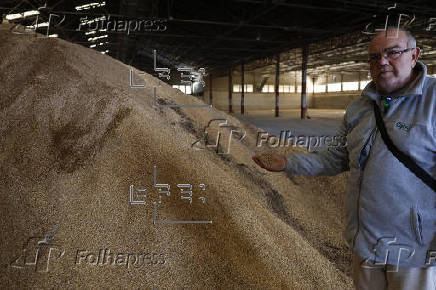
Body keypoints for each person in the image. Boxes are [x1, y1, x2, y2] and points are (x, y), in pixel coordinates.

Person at [252, 27, 436, 289]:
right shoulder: (360, 107)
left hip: (414, 252)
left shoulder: (432, 101)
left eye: (392, 53)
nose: (382, 61)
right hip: (365, 245)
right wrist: (289, 162)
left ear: (415, 55)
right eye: (374, 57)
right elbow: (336, 157)